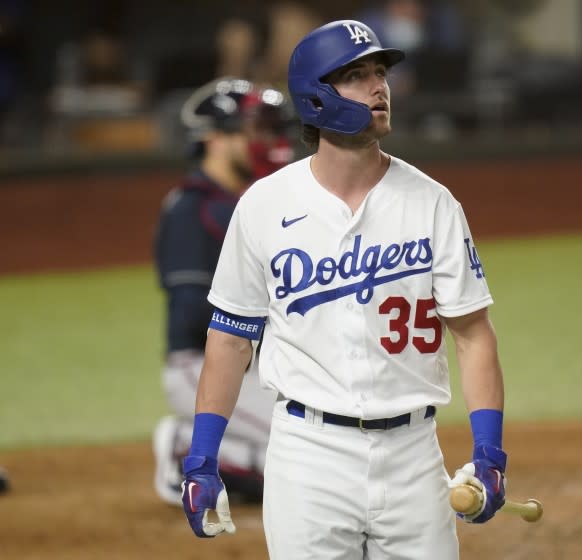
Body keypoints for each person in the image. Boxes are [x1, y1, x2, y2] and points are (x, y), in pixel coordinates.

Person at [179, 20, 508, 559]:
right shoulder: (264, 205)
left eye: (380, 73)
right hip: (308, 457)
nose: (379, 86)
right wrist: (202, 458)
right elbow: (231, 337)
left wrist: (489, 452)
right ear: (316, 97)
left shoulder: (433, 203)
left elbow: (473, 334)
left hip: (413, 456)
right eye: (357, 75)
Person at [152, 77, 297, 506]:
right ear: (216, 139)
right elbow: (192, 311)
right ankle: (183, 443)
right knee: (312, 462)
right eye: (256, 130)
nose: (267, 141)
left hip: (252, 369)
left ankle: (223, 453)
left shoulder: (249, 203)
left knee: (320, 448)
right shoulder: (191, 208)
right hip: (199, 367)